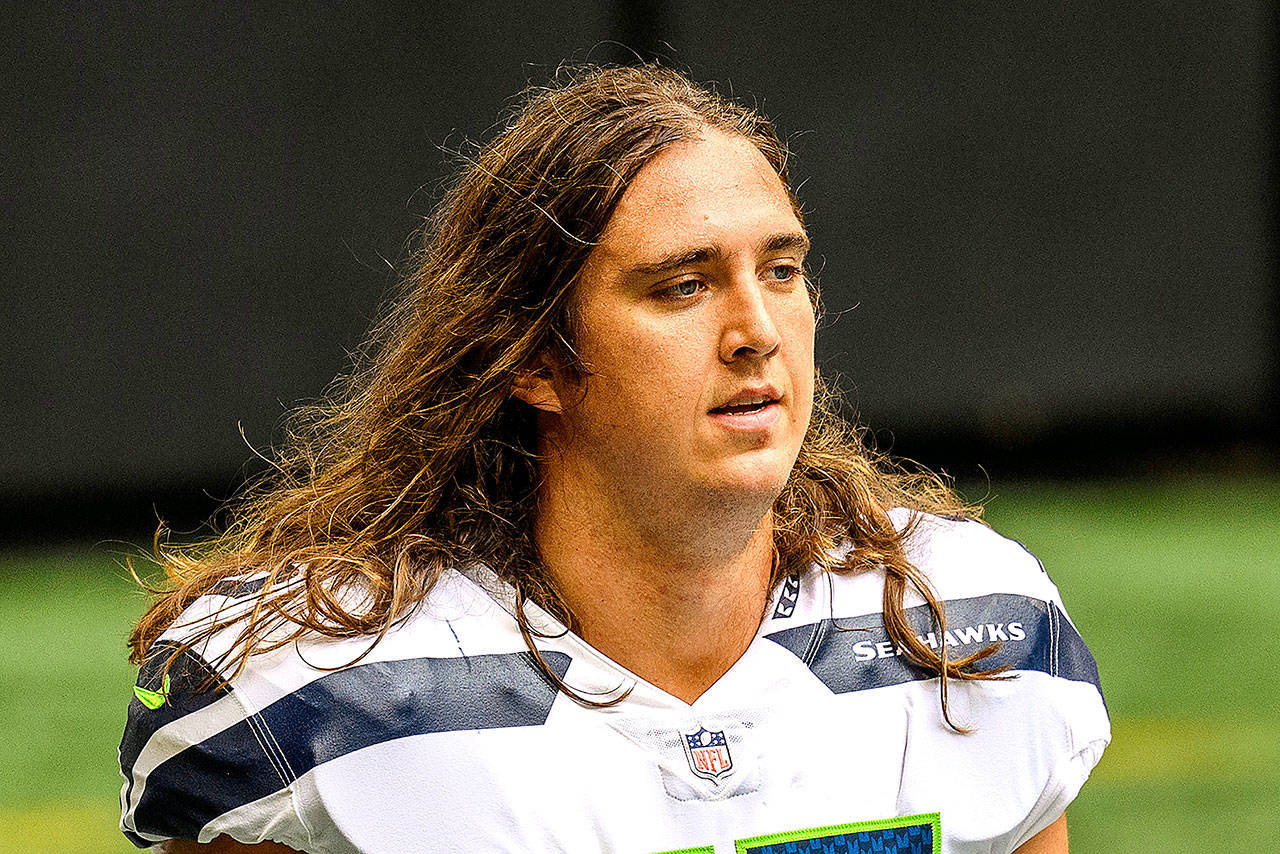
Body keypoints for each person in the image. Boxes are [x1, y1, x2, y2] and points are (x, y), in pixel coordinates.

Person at [119, 65, 1108, 854]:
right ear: (540, 361)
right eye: (680, 287)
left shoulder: (966, 627)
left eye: (779, 269)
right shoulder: (327, 688)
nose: (755, 329)